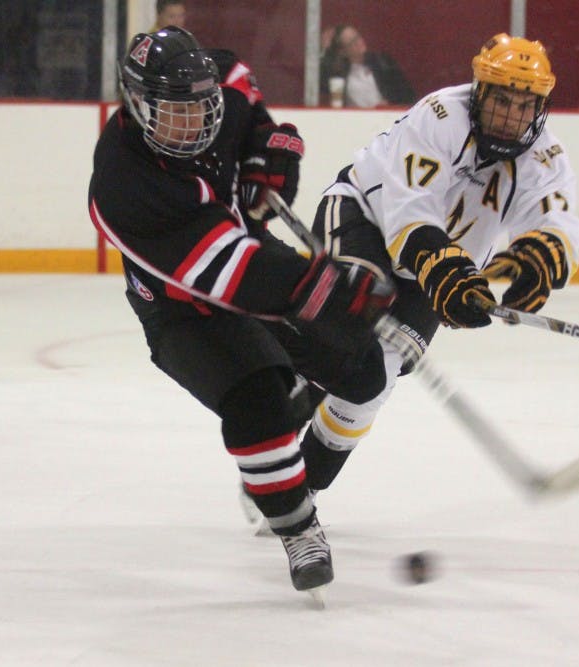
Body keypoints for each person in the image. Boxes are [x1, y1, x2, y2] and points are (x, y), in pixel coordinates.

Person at [88, 26, 394, 599]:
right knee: (261, 408)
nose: (194, 123)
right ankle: (297, 526)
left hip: (252, 259)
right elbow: (230, 276)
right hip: (184, 309)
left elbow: (248, 104)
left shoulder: (217, 87)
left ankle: (293, 416)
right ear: (135, 105)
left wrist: (267, 152)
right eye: (173, 112)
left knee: (365, 370)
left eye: (200, 107)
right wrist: (327, 290)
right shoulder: (122, 184)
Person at [297, 34, 579, 498]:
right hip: (362, 221)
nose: (513, 116)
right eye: (503, 100)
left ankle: (298, 486)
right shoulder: (440, 116)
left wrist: (540, 261)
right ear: (481, 91)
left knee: (373, 381)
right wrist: (445, 269)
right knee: (342, 335)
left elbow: (558, 222)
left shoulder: (545, 155)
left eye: (525, 104)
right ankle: (279, 414)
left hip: (434, 269)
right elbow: (409, 209)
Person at [319, 24, 415, 108]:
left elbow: (406, 93)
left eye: (357, 37)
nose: (358, 42)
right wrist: (325, 50)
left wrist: (389, 103)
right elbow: (319, 80)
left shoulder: (381, 63)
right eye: (351, 42)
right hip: (358, 120)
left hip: (386, 116)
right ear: (343, 51)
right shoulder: (339, 73)